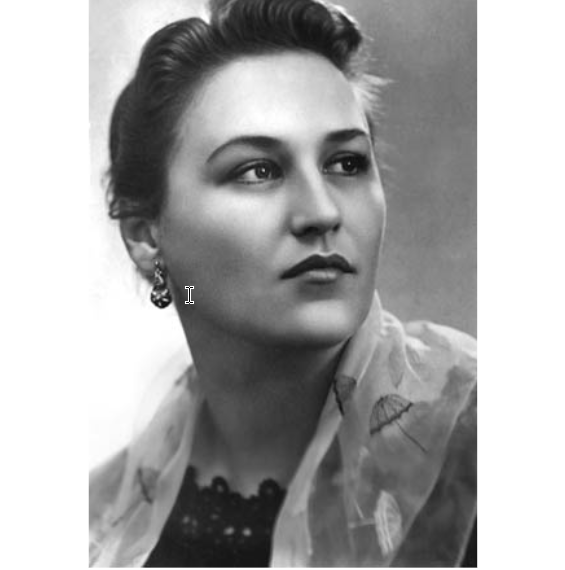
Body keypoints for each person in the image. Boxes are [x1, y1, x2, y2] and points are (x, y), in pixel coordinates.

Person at [89, 0, 477, 566]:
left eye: (346, 163)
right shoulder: (95, 525)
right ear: (147, 238)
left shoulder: (487, 442)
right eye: (257, 171)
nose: (321, 212)